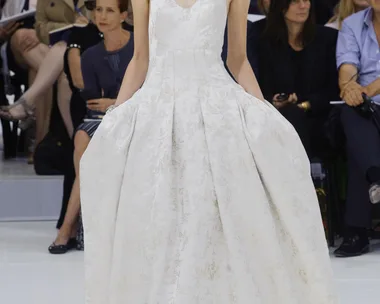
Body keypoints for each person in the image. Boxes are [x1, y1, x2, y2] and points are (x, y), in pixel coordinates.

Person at [80, 0, 338, 302]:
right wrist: (117, 112)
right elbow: (140, 59)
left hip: (215, 106)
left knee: (215, 211)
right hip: (159, 106)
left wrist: (262, 110)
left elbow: (238, 60)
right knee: (160, 209)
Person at [48, 0, 134, 254]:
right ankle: (78, 225)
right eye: (98, 10)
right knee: (82, 138)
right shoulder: (91, 55)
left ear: (123, 15)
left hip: (135, 114)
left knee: (87, 145)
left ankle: (68, 228)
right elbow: (93, 101)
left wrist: (116, 102)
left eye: (109, 11)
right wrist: (111, 102)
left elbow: (147, 88)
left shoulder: (140, 47)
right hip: (99, 118)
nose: (102, 16)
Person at [257, 0, 339, 158]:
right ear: (281, 7)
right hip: (280, 115)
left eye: (306, 0)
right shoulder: (265, 42)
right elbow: (263, 86)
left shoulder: (328, 38)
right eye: (295, 1)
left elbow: (333, 89)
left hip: (322, 113)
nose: (303, 6)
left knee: (295, 116)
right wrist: (275, 101)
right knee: (289, 117)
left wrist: (304, 105)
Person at [0, 0, 89, 139]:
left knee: (49, 64)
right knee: (60, 68)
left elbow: (92, 23)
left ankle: (28, 105)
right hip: (50, 45)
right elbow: (41, 25)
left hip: (76, 46)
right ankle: (69, 143)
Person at [334, 1, 380, 257]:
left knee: (358, 149)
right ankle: (376, 176)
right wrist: (348, 86)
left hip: (371, 96)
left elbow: (368, 87)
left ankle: (356, 231)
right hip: (368, 106)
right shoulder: (353, 24)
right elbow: (348, 64)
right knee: (350, 113)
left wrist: (367, 89)